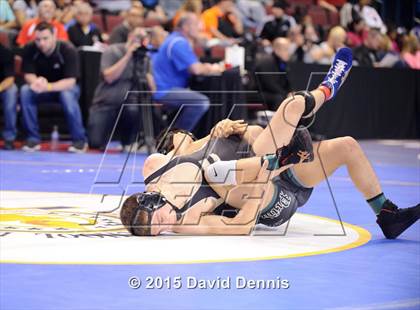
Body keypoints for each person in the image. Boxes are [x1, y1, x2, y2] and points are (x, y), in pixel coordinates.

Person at [20, 22, 87, 152]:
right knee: (25, 91)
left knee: (66, 95)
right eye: (38, 39)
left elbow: (70, 81)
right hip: (41, 88)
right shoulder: (30, 48)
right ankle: (33, 139)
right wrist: (37, 82)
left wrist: (48, 86)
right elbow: (28, 74)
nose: (41, 43)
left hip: (65, 88)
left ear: (54, 36)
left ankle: (79, 140)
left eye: (45, 39)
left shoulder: (68, 49)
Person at [152, 13, 223, 132]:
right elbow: (196, 69)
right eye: (195, 25)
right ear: (185, 27)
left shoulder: (175, 39)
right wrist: (213, 68)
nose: (199, 28)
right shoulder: (178, 43)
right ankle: (175, 137)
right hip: (164, 90)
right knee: (201, 102)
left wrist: (205, 66)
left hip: (168, 87)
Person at [88, 27, 155, 151]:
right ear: (130, 37)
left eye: (144, 39)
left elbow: (152, 91)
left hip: (129, 103)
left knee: (133, 108)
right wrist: (128, 55)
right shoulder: (113, 50)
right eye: (138, 38)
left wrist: (147, 74)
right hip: (106, 102)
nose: (140, 42)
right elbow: (109, 77)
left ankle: (129, 141)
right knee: (95, 142)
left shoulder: (145, 58)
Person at [254, 37, 291, 110]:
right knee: (279, 98)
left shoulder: (282, 63)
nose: (288, 53)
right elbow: (269, 84)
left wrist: (290, 92)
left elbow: (287, 81)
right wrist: (285, 94)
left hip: (275, 93)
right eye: (286, 49)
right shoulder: (267, 62)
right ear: (277, 49)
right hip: (259, 93)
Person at [0, 43, 18, 150]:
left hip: (3, 87)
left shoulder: (5, 52)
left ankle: (9, 137)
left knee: (12, 91)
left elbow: (10, 79)